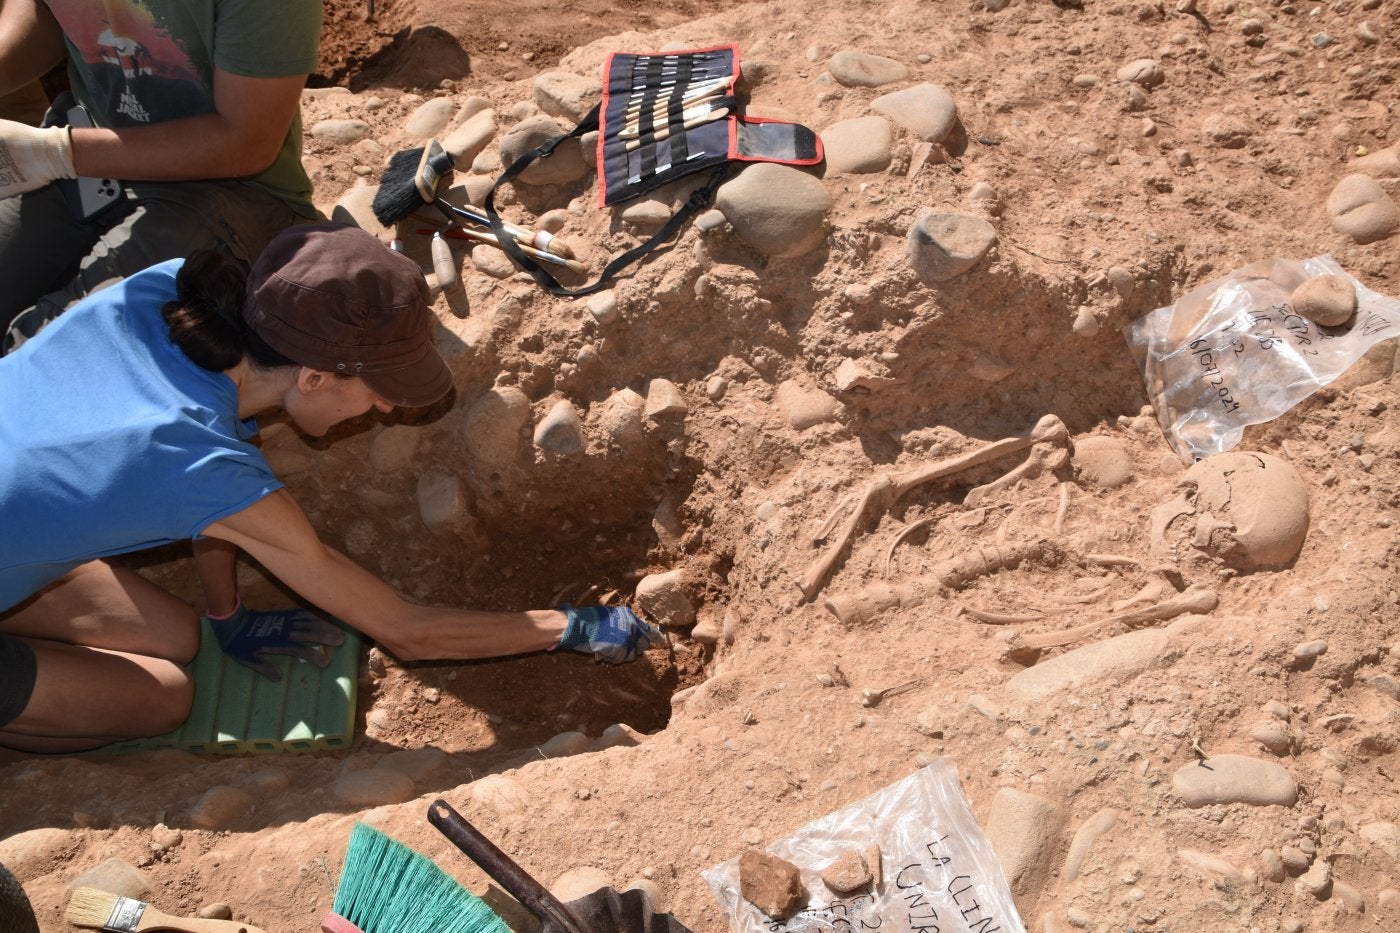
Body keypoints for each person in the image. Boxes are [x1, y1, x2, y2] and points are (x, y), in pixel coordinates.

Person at [0, 222, 663, 754]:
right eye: (376, 393)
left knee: (180, 634)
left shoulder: (175, 295)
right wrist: (574, 625)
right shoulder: (195, 461)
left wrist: (225, 614)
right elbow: (408, 631)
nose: (382, 411)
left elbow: (204, 500)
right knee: (165, 695)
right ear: (314, 378)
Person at [0, 0, 324, 354]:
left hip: (231, 191)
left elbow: (248, 142)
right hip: (90, 150)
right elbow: (48, 10)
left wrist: (55, 154)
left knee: (43, 356)